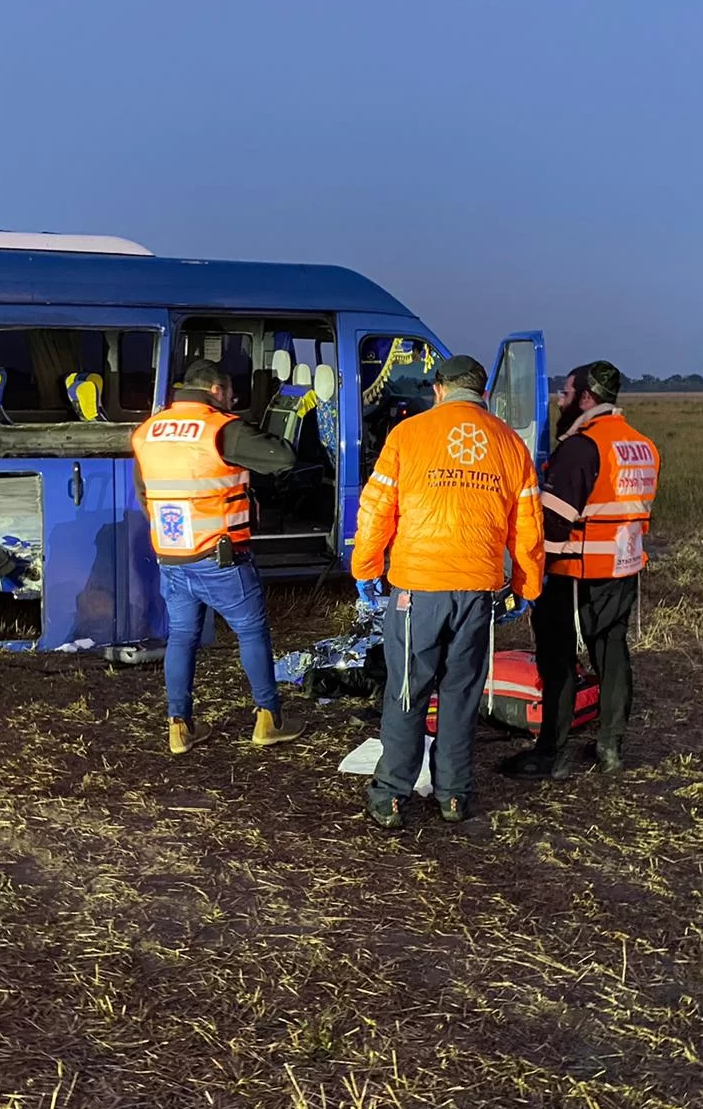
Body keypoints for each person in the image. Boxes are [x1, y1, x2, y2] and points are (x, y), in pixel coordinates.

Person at [351, 354, 545, 828]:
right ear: (481, 393)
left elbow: (376, 509)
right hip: (476, 592)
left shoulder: (408, 435)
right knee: (460, 696)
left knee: (406, 692)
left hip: (417, 590)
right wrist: (526, 587)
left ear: (439, 389)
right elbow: (528, 528)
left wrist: (366, 567)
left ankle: (392, 795)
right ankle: (453, 796)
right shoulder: (509, 444)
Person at [130, 359, 305, 754]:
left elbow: (145, 493)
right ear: (216, 390)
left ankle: (179, 726)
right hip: (221, 555)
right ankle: (268, 719)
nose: (232, 400)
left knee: (182, 637)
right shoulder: (220, 427)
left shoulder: (148, 431)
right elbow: (283, 457)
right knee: (251, 631)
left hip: (172, 556)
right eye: (230, 394)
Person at [502, 361, 659, 779]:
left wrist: (529, 576)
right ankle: (610, 746)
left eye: (566, 393)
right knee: (612, 653)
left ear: (586, 397)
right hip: (624, 569)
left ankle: (549, 751)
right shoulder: (642, 445)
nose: (560, 399)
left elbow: (554, 525)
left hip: (577, 573)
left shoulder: (580, 448)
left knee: (557, 659)